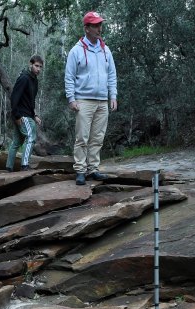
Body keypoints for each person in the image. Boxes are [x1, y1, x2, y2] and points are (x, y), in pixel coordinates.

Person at [65, 11, 117, 185]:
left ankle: (93, 169)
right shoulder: (76, 51)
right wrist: (71, 98)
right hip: (84, 100)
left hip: (102, 100)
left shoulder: (105, 50)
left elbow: (111, 74)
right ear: (86, 28)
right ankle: (80, 170)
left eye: (100, 25)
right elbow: (69, 76)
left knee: (97, 137)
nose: (99, 28)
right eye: (95, 25)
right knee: (82, 137)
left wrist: (113, 95)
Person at [6, 55, 43, 172]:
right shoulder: (24, 78)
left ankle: (9, 167)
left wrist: (35, 115)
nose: (38, 69)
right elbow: (14, 97)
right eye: (36, 66)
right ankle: (24, 165)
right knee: (31, 137)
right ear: (30, 64)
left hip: (27, 114)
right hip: (22, 115)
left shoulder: (34, 80)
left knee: (17, 142)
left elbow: (30, 101)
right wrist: (16, 115)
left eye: (40, 67)